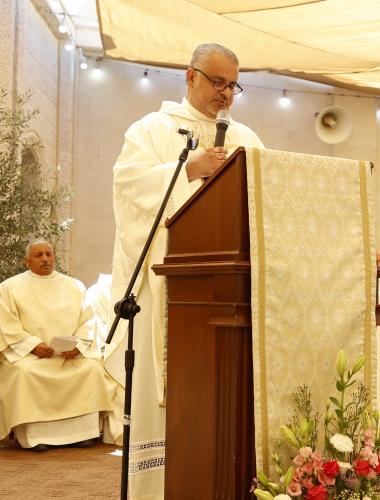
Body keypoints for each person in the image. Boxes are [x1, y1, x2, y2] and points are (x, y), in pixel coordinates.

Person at [106, 43, 265, 497]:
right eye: (218, 82)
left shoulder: (247, 138)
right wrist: (190, 168)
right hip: (169, 285)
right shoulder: (151, 130)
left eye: (233, 85)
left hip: (231, 288)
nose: (226, 93)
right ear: (190, 76)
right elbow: (128, 188)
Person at [0, 240, 113, 452]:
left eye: (48, 254)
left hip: (67, 355)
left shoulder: (74, 286)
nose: (45, 259)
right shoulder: (9, 287)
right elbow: (6, 324)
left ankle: (83, 434)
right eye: (38, 255)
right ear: (27, 261)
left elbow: (88, 320)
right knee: (25, 373)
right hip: (31, 356)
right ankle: (35, 437)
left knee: (91, 368)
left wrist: (78, 345)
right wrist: (32, 345)